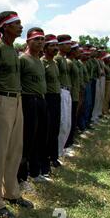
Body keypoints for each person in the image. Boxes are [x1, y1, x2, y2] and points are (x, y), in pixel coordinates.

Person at [0, 11, 33, 218]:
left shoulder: (12, 49)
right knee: (0, 151)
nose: (21, 27)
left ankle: (12, 193)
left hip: (17, 100)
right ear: (5, 27)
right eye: (16, 24)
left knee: (15, 148)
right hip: (2, 101)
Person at [17, 28, 50, 190]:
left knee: (40, 137)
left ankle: (35, 172)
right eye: (36, 39)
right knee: (27, 139)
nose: (40, 42)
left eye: (42, 39)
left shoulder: (39, 60)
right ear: (28, 41)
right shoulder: (23, 59)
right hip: (28, 100)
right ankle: (21, 177)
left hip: (41, 100)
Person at [41, 34, 62, 167]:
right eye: (52, 45)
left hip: (56, 96)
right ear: (45, 47)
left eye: (56, 45)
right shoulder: (42, 62)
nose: (55, 48)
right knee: (45, 130)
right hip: (47, 98)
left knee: (55, 128)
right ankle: (44, 159)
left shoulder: (55, 63)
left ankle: (53, 157)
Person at [54, 35, 72, 158]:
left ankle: (61, 149)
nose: (69, 46)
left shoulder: (64, 59)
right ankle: (57, 151)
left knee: (67, 123)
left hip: (67, 91)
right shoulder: (57, 59)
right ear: (60, 45)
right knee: (62, 123)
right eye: (67, 44)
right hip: (60, 91)